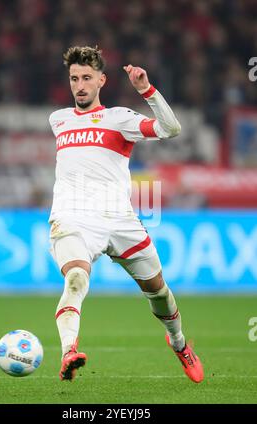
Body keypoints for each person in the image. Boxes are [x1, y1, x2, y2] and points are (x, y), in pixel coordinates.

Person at [48, 46, 204, 383]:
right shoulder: (58, 120)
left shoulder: (118, 118)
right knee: (76, 278)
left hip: (120, 220)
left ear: (101, 80)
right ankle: (69, 352)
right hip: (72, 218)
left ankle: (178, 343)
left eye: (87, 78)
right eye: (74, 78)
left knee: (159, 290)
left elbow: (171, 129)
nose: (80, 85)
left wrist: (146, 90)